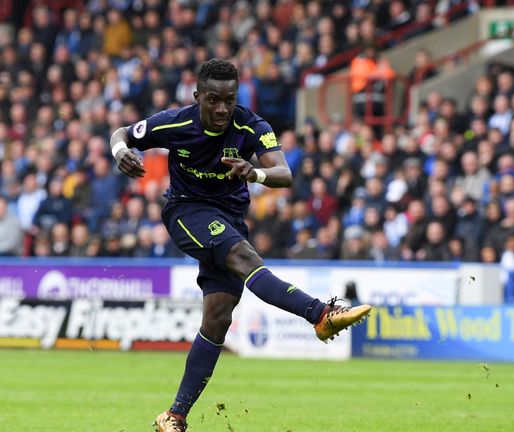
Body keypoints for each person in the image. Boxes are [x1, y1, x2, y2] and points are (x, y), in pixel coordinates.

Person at [109, 59, 371, 432]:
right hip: (186, 211)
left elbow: (284, 173)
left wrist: (256, 172)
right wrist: (121, 153)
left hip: (230, 220)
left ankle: (174, 415)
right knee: (244, 257)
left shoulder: (250, 125)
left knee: (217, 318)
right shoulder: (175, 122)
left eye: (228, 100)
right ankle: (319, 314)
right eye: (213, 99)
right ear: (198, 96)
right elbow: (121, 132)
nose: (221, 109)